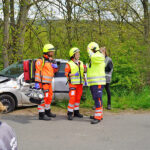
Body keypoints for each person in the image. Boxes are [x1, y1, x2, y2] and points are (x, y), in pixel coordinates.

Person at [35, 44, 58, 120]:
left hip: (49, 83)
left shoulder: (50, 60)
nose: (52, 53)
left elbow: (53, 72)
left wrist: (55, 66)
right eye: (51, 51)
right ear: (47, 52)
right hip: (43, 83)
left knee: (49, 97)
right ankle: (41, 114)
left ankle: (48, 112)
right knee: (43, 99)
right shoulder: (40, 60)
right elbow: (37, 72)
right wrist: (37, 83)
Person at [87, 42, 106, 124]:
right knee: (97, 99)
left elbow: (95, 57)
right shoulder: (95, 57)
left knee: (98, 98)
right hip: (94, 82)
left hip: (97, 82)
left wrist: (91, 53)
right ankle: (99, 115)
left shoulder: (97, 56)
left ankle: (98, 117)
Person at [65, 47, 86, 120]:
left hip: (80, 84)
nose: (79, 55)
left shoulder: (81, 62)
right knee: (72, 98)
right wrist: (73, 74)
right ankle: (70, 113)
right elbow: (66, 74)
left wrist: (84, 76)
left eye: (78, 53)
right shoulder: (69, 64)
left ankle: (76, 112)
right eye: (77, 54)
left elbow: (84, 72)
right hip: (73, 84)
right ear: (73, 55)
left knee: (78, 98)